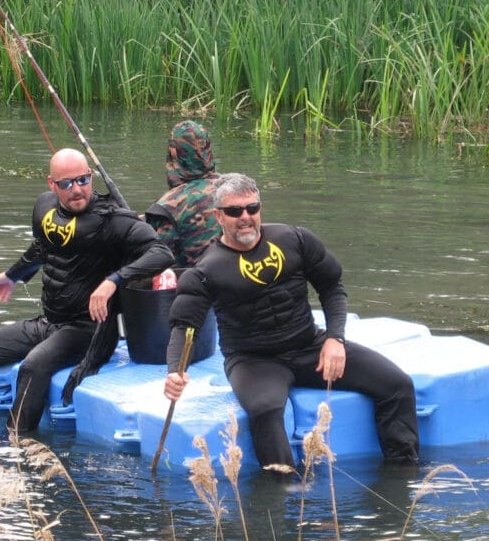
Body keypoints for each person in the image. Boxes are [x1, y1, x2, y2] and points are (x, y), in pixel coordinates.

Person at [162, 173, 419, 473]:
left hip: (310, 346)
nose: (245, 217)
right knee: (266, 411)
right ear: (218, 216)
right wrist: (175, 371)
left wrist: (335, 338)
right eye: (234, 211)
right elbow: (185, 326)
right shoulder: (206, 271)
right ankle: (283, 491)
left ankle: (403, 474)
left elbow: (332, 286)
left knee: (397, 385)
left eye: (252, 208)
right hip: (253, 361)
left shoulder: (294, 239)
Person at [0, 148, 173, 431]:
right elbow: (43, 247)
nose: (76, 189)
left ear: (90, 176)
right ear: (52, 184)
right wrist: (13, 275)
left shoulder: (112, 220)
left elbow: (162, 253)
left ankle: (17, 446)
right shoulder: (45, 208)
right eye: (66, 183)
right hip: (48, 323)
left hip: (88, 330)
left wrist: (113, 280)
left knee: (33, 366)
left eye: (82, 180)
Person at [144, 119, 222, 269]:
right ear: (207, 148)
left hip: (192, 280)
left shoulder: (169, 205)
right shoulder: (234, 187)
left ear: (173, 153)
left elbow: (156, 260)